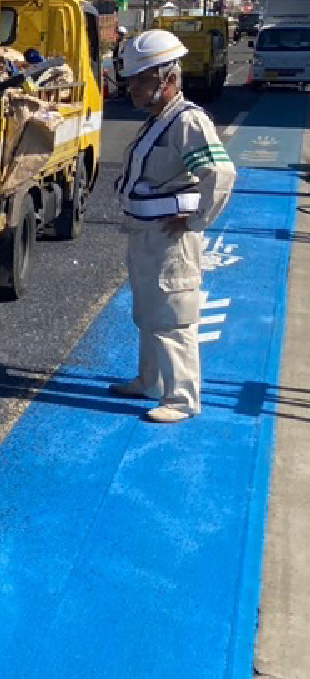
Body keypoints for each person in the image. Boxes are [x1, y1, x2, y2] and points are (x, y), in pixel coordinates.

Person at [110, 29, 236, 423]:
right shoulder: (158, 121)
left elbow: (220, 172)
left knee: (173, 318)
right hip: (146, 236)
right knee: (149, 313)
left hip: (170, 240)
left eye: (140, 78)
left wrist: (197, 220)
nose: (131, 86)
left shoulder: (188, 121)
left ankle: (182, 398)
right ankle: (150, 381)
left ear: (167, 78)